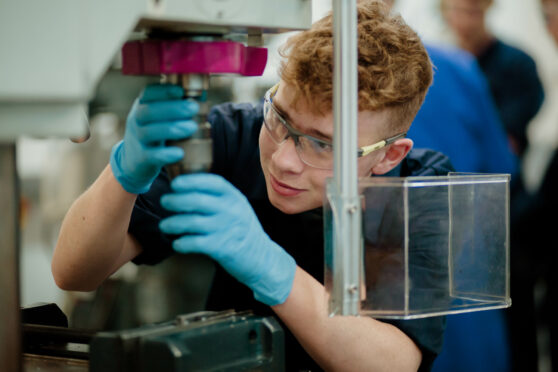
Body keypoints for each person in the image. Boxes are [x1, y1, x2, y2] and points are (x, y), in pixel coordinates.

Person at [52, 2, 453, 370]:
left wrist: (272, 268)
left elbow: (395, 363)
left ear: (388, 156)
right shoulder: (231, 137)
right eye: (280, 117)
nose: (282, 159)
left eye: (321, 144)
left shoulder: (420, 187)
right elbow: (74, 273)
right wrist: (124, 174)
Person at [440, 0, 545, 159]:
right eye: (456, 10)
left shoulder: (518, 64)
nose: (465, 21)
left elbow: (507, 141)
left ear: (487, 7)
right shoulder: (442, 68)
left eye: (471, 12)